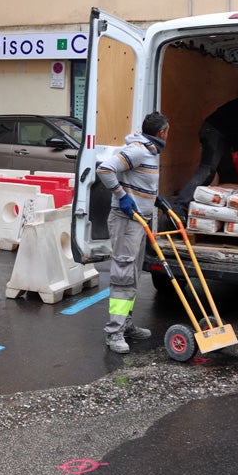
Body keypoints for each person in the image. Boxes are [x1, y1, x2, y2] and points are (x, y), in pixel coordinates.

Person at [96, 111, 170, 354]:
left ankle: (126, 324)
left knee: (133, 275)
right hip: (126, 220)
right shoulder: (138, 150)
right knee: (123, 275)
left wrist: (153, 198)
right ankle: (114, 332)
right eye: (168, 131)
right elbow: (106, 169)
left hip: (140, 221)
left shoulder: (150, 151)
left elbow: (138, 180)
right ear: (161, 133)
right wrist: (122, 196)